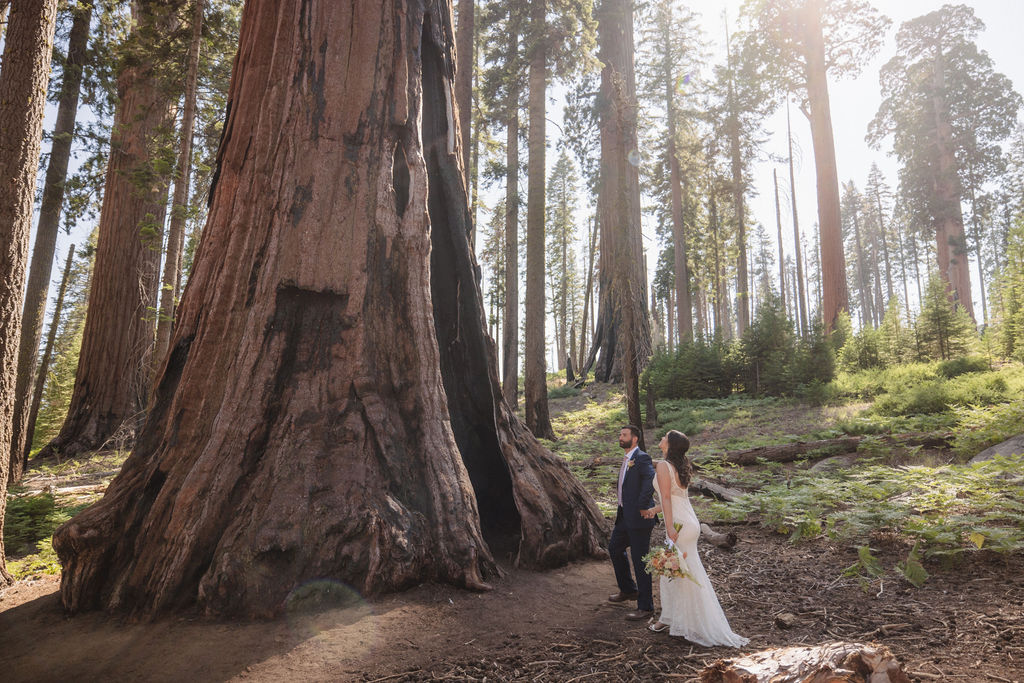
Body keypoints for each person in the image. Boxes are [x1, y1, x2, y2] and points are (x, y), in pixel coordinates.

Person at [641, 430, 749, 647]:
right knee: (676, 572)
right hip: (690, 522)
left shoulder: (664, 466)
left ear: (670, 444)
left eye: (664, 437)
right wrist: (655, 510)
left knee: (674, 572)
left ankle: (685, 621)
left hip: (680, 525)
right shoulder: (679, 466)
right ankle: (671, 618)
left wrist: (670, 527)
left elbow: (666, 498)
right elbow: (674, 498)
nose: (661, 439)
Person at [607, 425, 657, 621]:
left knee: (640, 560)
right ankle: (628, 589)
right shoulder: (627, 458)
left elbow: (649, 480)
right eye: (620, 434)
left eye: (624, 435)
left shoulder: (641, 458)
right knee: (614, 549)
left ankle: (646, 607)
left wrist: (643, 506)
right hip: (623, 517)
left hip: (639, 518)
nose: (620, 437)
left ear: (634, 439)